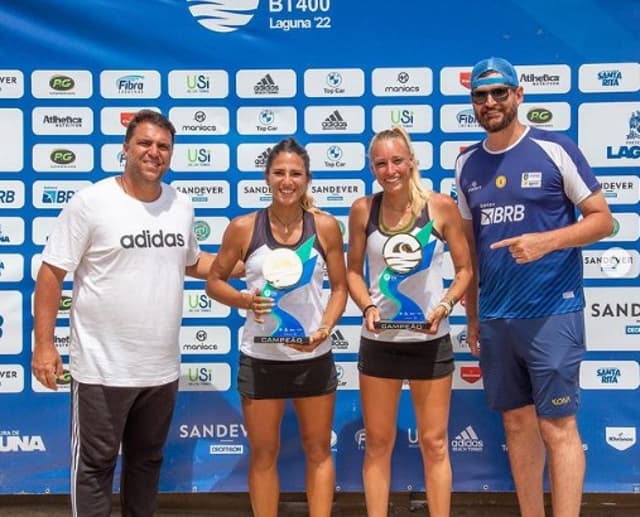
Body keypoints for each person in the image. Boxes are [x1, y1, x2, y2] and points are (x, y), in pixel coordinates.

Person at [32, 110, 214, 517]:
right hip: (102, 369)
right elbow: (51, 274)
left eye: (163, 146)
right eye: (145, 144)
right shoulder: (91, 203)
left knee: (146, 465)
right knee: (95, 468)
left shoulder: (180, 205)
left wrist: (254, 261)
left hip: (161, 370)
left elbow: (193, 263)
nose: (154, 153)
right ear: (126, 148)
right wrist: (43, 345)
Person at [455, 57, 613, 517]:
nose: (490, 102)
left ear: (518, 95)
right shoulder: (466, 162)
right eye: (481, 96)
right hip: (498, 319)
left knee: (559, 426)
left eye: (499, 92)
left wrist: (548, 241)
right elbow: (471, 249)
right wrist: (472, 316)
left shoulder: (554, 147)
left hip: (552, 313)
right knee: (517, 425)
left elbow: (604, 219)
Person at [206, 138, 347, 517]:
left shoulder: (327, 227)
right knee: (264, 453)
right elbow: (215, 280)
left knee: (318, 450)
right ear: (267, 177)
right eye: (280, 172)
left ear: (307, 179)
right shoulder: (243, 228)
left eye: (295, 173)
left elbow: (340, 287)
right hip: (261, 358)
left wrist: (327, 326)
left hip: (312, 356)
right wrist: (243, 300)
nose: (287, 180)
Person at [347, 126, 472, 517]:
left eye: (397, 160)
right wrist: (366, 304)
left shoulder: (440, 208)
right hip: (380, 342)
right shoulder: (362, 210)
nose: (390, 170)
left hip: (431, 343)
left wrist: (447, 304)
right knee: (378, 444)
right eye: (381, 163)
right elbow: (352, 272)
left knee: (435, 443)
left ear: (412, 161)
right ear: (372, 167)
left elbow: (466, 269)